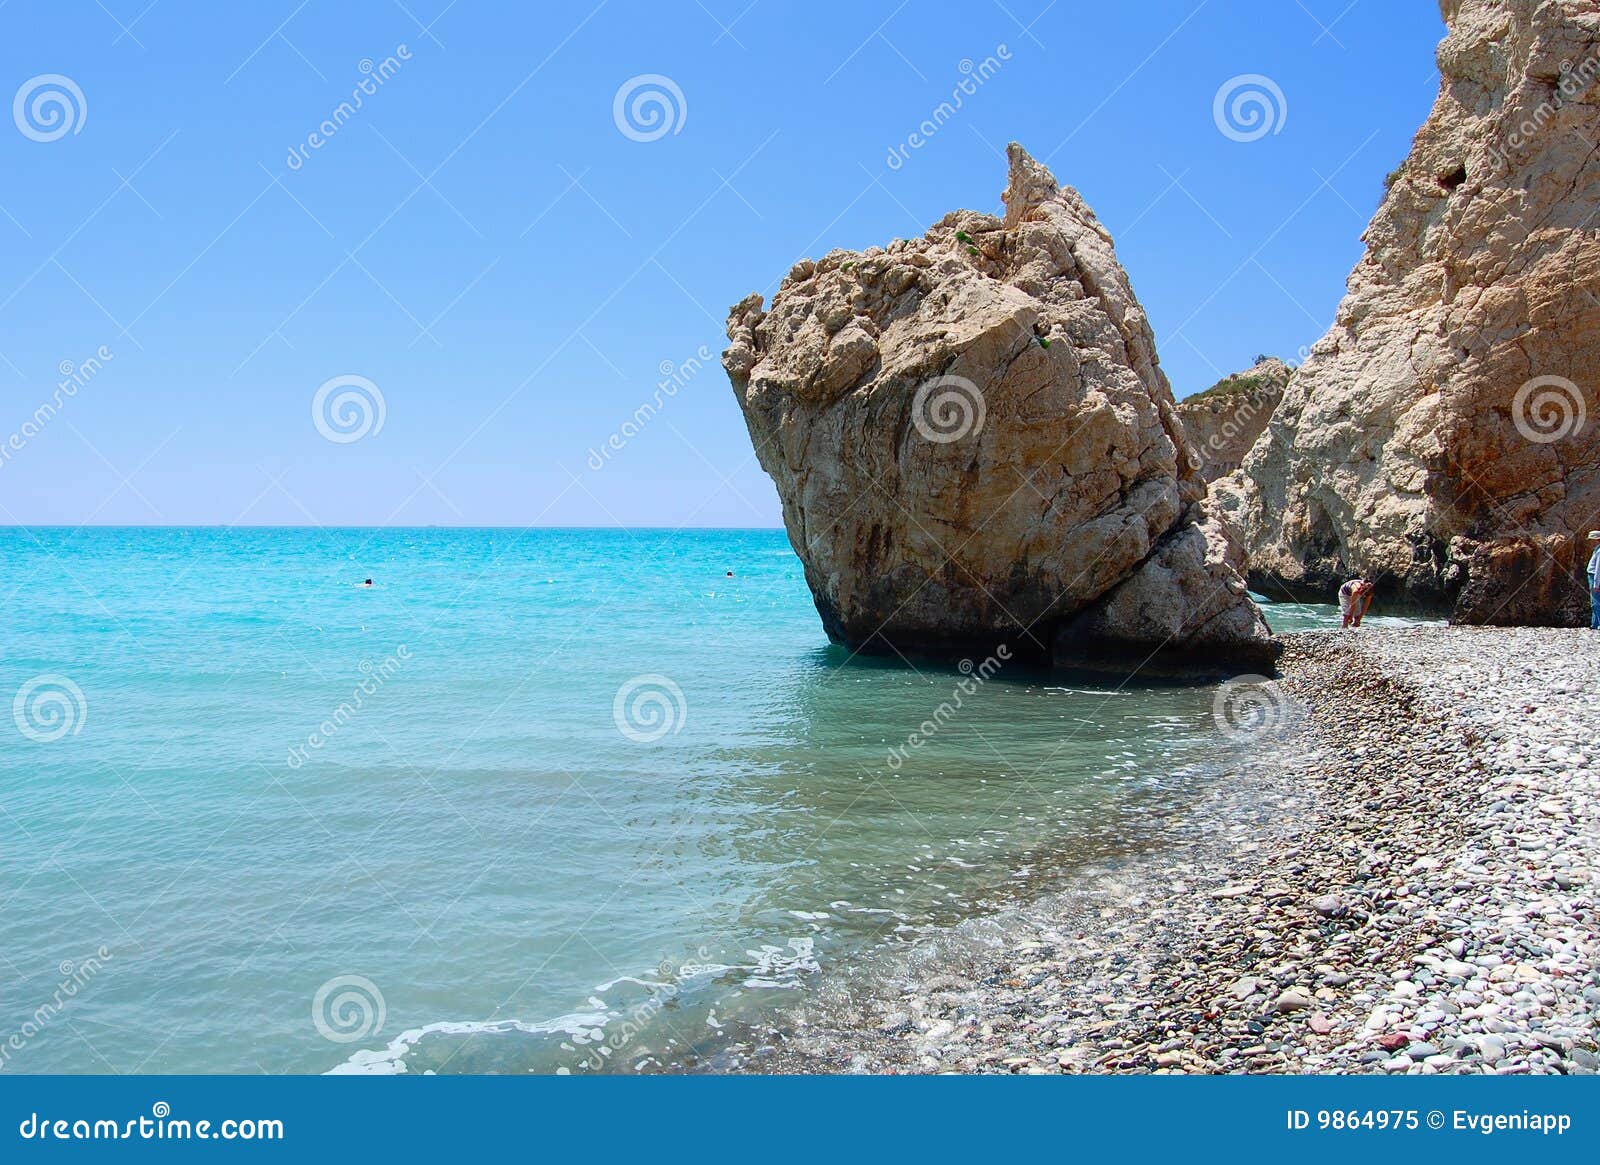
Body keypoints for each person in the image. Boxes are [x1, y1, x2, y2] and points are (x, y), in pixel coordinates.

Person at [1587, 532, 1600, 629]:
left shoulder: (1599, 551)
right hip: (1593, 576)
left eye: (1591, 540)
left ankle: (1598, 624)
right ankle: (1595, 623)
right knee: (1594, 601)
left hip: (1594, 577)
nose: (1590, 542)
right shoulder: (1597, 550)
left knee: (1596, 602)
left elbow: (1598, 569)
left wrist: (1596, 584)